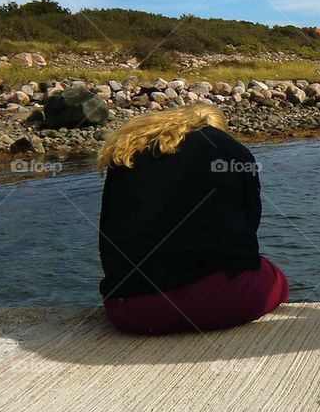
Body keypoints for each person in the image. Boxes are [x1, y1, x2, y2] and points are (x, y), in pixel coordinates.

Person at [97, 102, 289, 334]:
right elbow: (249, 225)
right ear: (217, 127)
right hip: (221, 302)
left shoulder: (126, 153)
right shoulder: (229, 149)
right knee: (276, 278)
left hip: (131, 310)